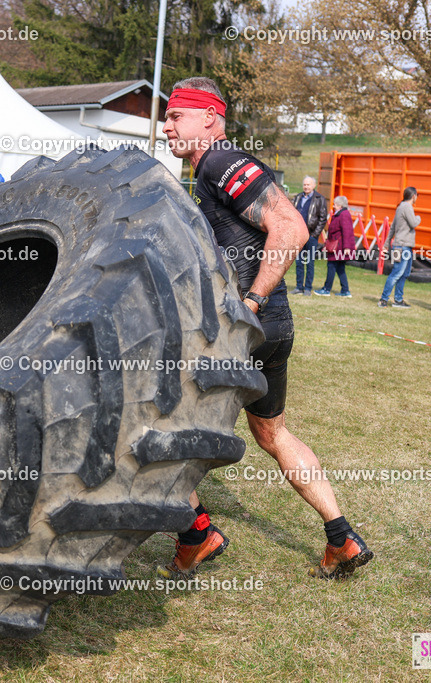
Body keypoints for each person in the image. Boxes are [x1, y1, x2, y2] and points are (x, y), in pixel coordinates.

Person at [159, 76, 372, 581]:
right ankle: (341, 537)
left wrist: (251, 300)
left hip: (247, 327)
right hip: (273, 328)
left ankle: (196, 536)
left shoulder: (219, 161)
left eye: (175, 116)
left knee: (160, 427)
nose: (166, 127)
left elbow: (290, 226)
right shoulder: (210, 170)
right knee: (272, 434)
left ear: (209, 117)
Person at [379, 187, 420, 308]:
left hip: (401, 246)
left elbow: (392, 228)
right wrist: (419, 218)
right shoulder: (407, 207)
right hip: (403, 247)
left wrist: (386, 244)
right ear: (413, 196)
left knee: (404, 274)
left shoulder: (400, 207)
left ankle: (398, 300)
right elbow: (414, 223)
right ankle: (383, 299)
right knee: (397, 273)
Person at [290, 176, 327, 295]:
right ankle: (299, 287)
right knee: (299, 262)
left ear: (313, 186)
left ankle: (307, 288)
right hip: (299, 236)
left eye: (308, 185)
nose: (306, 187)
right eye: (305, 184)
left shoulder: (319, 199)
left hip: (311, 236)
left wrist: (315, 234)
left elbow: (323, 219)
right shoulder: (298, 197)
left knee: (310, 263)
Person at [314, 196, 354, 297]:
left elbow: (347, 232)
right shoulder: (340, 214)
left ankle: (327, 289)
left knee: (331, 266)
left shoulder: (344, 215)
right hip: (337, 246)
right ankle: (345, 290)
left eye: (335, 204)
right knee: (340, 268)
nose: (333, 206)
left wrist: (347, 247)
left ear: (340, 205)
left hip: (339, 247)